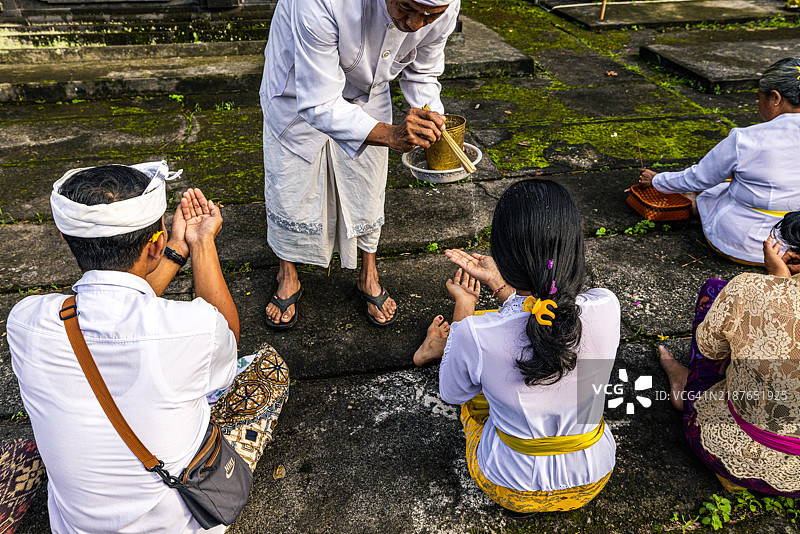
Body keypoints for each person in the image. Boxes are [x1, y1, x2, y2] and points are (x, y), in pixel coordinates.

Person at [7, 162, 289, 533]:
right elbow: (225, 339)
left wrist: (172, 250)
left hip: (74, 528)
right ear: (154, 244)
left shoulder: (25, 321)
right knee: (268, 370)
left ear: (65, 238)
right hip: (179, 523)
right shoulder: (193, 330)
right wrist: (200, 243)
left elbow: (116, 311)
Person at [414, 179, 620, 515]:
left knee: (475, 394)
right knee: (581, 385)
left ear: (504, 258)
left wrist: (465, 307)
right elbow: (546, 315)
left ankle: (440, 348)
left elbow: (453, 394)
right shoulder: (606, 306)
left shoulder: (477, 333)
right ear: (574, 248)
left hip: (510, 485)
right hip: (593, 475)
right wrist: (500, 286)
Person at [260, 0, 460, 328]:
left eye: (430, 16)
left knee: (365, 183)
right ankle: (287, 273)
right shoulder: (320, 3)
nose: (414, 24)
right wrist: (392, 135)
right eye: (406, 7)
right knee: (293, 181)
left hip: (369, 87)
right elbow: (319, 102)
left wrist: (433, 122)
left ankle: (369, 273)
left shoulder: (445, 8)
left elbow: (423, 72)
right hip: (299, 81)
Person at [658, 212, 800, 497]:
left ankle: (686, 388)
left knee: (714, 292)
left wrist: (776, 285)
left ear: (788, 256)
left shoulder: (746, 289)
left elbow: (711, 349)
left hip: (732, 450)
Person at [638, 57, 800, 265]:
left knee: (712, 188)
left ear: (775, 98)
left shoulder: (747, 139)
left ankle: (695, 206)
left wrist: (656, 180)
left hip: (751, 242)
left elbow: (699, 178)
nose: (758, 104)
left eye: (759, 97)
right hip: (796, 241)